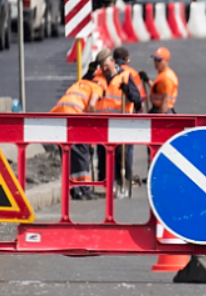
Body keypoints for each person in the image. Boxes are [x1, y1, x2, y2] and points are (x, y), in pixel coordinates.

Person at [94, 47, 145, 196]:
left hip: (122, 122)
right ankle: (107, 185)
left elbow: (137, 101)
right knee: (103, 155)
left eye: (106, 66)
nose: (104, 69)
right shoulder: (100, 77)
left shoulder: (125, 76)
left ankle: (125, 184)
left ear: (112, 61)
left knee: (122, 156)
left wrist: (128, 91)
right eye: (102, 67)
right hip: (105, 123)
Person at [51, 62, 104, 200]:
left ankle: (75, 189)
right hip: (74, 115)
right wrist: (91, 127)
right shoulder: (97, 86)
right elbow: (92, 105)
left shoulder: (80, 84)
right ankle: (84, 190)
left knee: (68, 154)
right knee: (82, 152)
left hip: (58, 116)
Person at [149, 47, 179, 114]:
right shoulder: (162, 74)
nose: (156, 63)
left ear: (166, 61)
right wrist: (147, 80)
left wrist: (160, 117)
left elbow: (166, 100)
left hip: (163, 111)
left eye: (159, 60)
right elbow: (157, 90)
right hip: (158, 109)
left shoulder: (166, 77)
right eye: (155, 60)